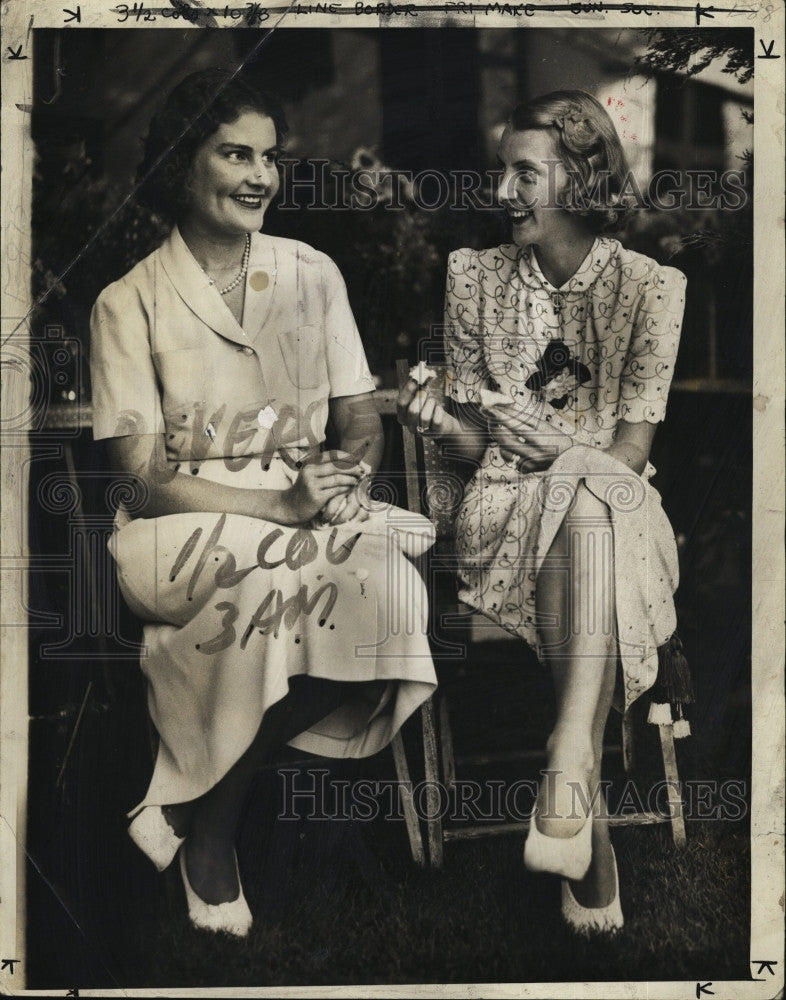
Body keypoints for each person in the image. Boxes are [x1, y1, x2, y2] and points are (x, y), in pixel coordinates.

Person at [91, 68, 437, 937]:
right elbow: (138, 474)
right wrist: (282, 507)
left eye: (269, 158)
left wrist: (341, 480)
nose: (259, 176)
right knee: (261, 589)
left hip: (307, 512)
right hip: (180, 531)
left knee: (394, 599)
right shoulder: (126, 302)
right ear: (182, 166)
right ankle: (212, 838)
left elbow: (360, 420)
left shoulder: (310, 273)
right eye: (234, 153)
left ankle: (193, 802)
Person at [398, 90, 687, 935]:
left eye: (526, 173)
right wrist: (442, 425)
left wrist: (563, 455)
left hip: (618, 508)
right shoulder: (472, 278)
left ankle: (569, 778)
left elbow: (627, 455)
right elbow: (470, 461)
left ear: (582, 176)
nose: (503, 192)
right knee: (578, 492)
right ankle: (576, 787)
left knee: (590, 488)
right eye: (502, 172)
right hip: (500, 515)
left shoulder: (650, 289)